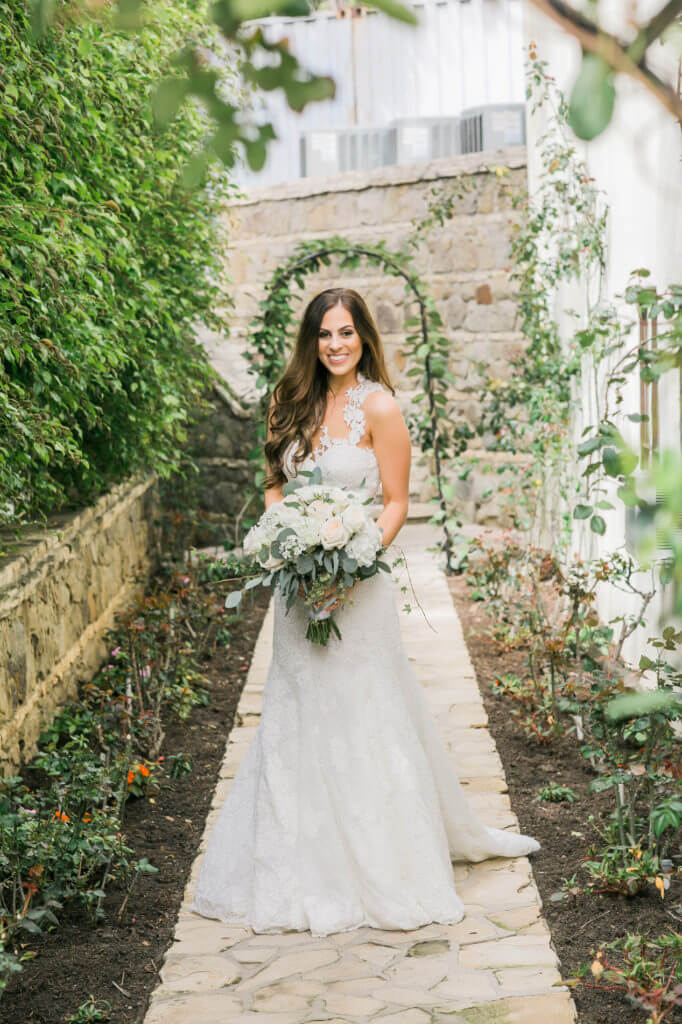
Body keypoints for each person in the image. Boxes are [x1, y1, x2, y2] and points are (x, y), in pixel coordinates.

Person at [189, 286, 539, 937]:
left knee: (361, 709)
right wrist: (289, 544)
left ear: (363, 336)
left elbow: (397, 502)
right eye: (325, 334)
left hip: (358, 587)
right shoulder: (285, 400)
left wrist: (351, 563)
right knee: (297, 711)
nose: (336, 345)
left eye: (346, 333)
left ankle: (384, 861)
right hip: (298, 592)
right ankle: (296, 862)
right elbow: (273, 485)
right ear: (311, 341)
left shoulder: (380, 406)